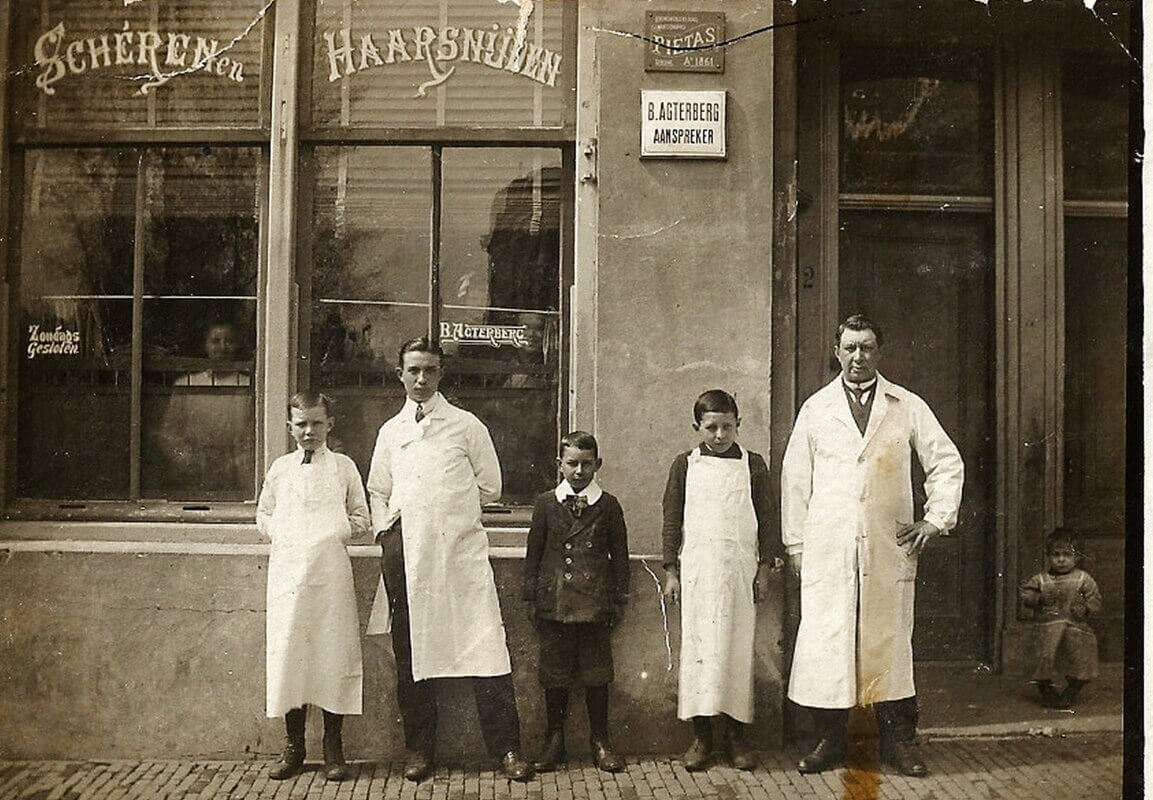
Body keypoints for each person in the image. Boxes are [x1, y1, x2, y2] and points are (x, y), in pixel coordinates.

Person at [781, 313, 964, 778]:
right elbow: (795, 482)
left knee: (888, 642)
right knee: (830, 642)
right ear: (837, 351)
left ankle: (899, 742)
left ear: (878, 352)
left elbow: (946, 463)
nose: (858, 357)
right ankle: (829, 740)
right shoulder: (816, 410)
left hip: (887, 546)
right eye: (850, 348)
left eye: (866, 348)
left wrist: (935, 520)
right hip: (830, 548)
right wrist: (798, 546)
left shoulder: (905, 405)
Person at [366, 336, 533, 783]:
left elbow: (490, 488)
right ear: (400, 374)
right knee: (413, 654)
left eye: (430, 371)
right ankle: (419, 750)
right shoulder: (391, 432)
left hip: (460, 558)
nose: (421, 379)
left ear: (441, 374)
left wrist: (446, 516)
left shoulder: (465, 426)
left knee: (486, 650)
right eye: (413, 370)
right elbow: (377, 491)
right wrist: (388, 532)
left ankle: (508, 749)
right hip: (410, 560)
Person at [661, 389, 782, 772]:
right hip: (698, 571)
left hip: (739, 573)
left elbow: (767, 519)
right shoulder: (685, 464)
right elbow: (671, 518)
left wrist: (763, 569)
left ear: (738, 425)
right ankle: (701, 738)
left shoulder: (753, 464)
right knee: (700, 653)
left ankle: (735, 739)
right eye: (710, 427)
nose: (719, 435)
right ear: (697, 426)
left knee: (734, 651)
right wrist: (670, 570)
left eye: (726, 426)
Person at [257, 392, 371, 782]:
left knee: (331, 654)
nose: (309, 431)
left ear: (329, 424)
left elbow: (360, 517)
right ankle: (294, 747)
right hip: (288, 576)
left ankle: (333, 747)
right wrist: (284, 535)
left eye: (316, 423)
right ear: (290, 427)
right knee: (291, 653)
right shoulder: (280, 470)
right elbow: (264, 513)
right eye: (301, 424)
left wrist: (333, 532)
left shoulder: (343, 468)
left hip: (330, 576)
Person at [522, 431, 630, 774]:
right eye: (572, 463)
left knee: (598, 675)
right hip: (555, 605)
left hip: (595, 606)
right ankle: (555, 740)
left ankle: (600, 741)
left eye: (586, 464)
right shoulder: (545, 504)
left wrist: (618, 601)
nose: (579, 471)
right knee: (555, 675)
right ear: (559, 465)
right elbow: (534, 554)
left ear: (597, 464)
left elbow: (621, 559)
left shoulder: (608, 505)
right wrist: (531, 598)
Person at [1019, 529, 1102, 709]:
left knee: (1079, 663)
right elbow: (1026, 596)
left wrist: (1085, 608)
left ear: (1077, 557)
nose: (1061, 560)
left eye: (1067, 555)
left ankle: (1070, 693)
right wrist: (1039, 598)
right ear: (1048, 557)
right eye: (1056, 555)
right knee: (1044, 662)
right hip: (1047, 632)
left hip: (1075, 631)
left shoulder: (1083, 579)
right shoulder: (1041, 579)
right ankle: (1047, 693)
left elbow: (1095, 599)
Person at [175, 320, 251, 386]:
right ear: (205, 344)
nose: (222, 348)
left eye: (229, 341)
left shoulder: (247, 384)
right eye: (215, 341)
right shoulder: (187, 384)